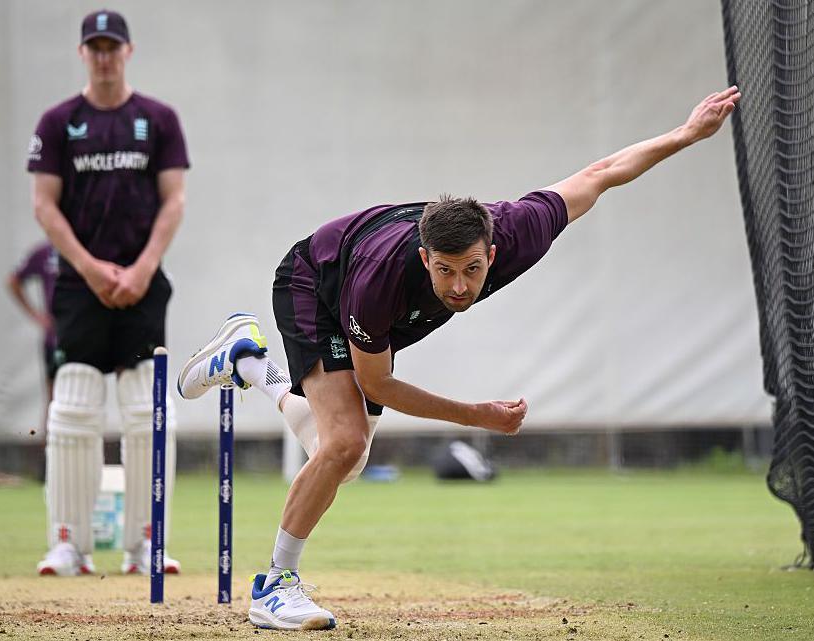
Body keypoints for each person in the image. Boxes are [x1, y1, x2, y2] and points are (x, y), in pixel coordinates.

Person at [177, 87, 742, 630]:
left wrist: (688, 134)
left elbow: (599, 175)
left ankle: (247, 361)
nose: (458, 287)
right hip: (316, 282)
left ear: (492, 253)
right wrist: (479, 416)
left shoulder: (517, 230)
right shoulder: (381, 282)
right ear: (425, 258)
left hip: (364, 295)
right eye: (443, 270)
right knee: (346, 442)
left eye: (472, 269)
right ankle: (275, 584)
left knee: (338, 458)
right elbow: (382, 384)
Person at [27, 9, 189, 577]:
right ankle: (67, 543)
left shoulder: (158, 119)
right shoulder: (57, 122)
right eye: (93, 47)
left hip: (143, 284)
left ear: (127, 51)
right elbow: (44, 205)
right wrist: (92, 268)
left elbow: (174, 200)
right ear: (82, 54)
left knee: (146, 411)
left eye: (111, 46)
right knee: (73, 408)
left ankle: (146, 542)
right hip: (77, 285)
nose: (103, 55)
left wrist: (143, 268)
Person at [5, 241, 58, 482]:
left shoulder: (90, 246)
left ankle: (82, 461)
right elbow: (13, 280)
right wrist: (36, 315)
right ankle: (49, 463)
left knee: (86, 398)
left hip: (86, 338)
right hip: (55, 340)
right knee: (54, 399)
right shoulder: (44, 253)